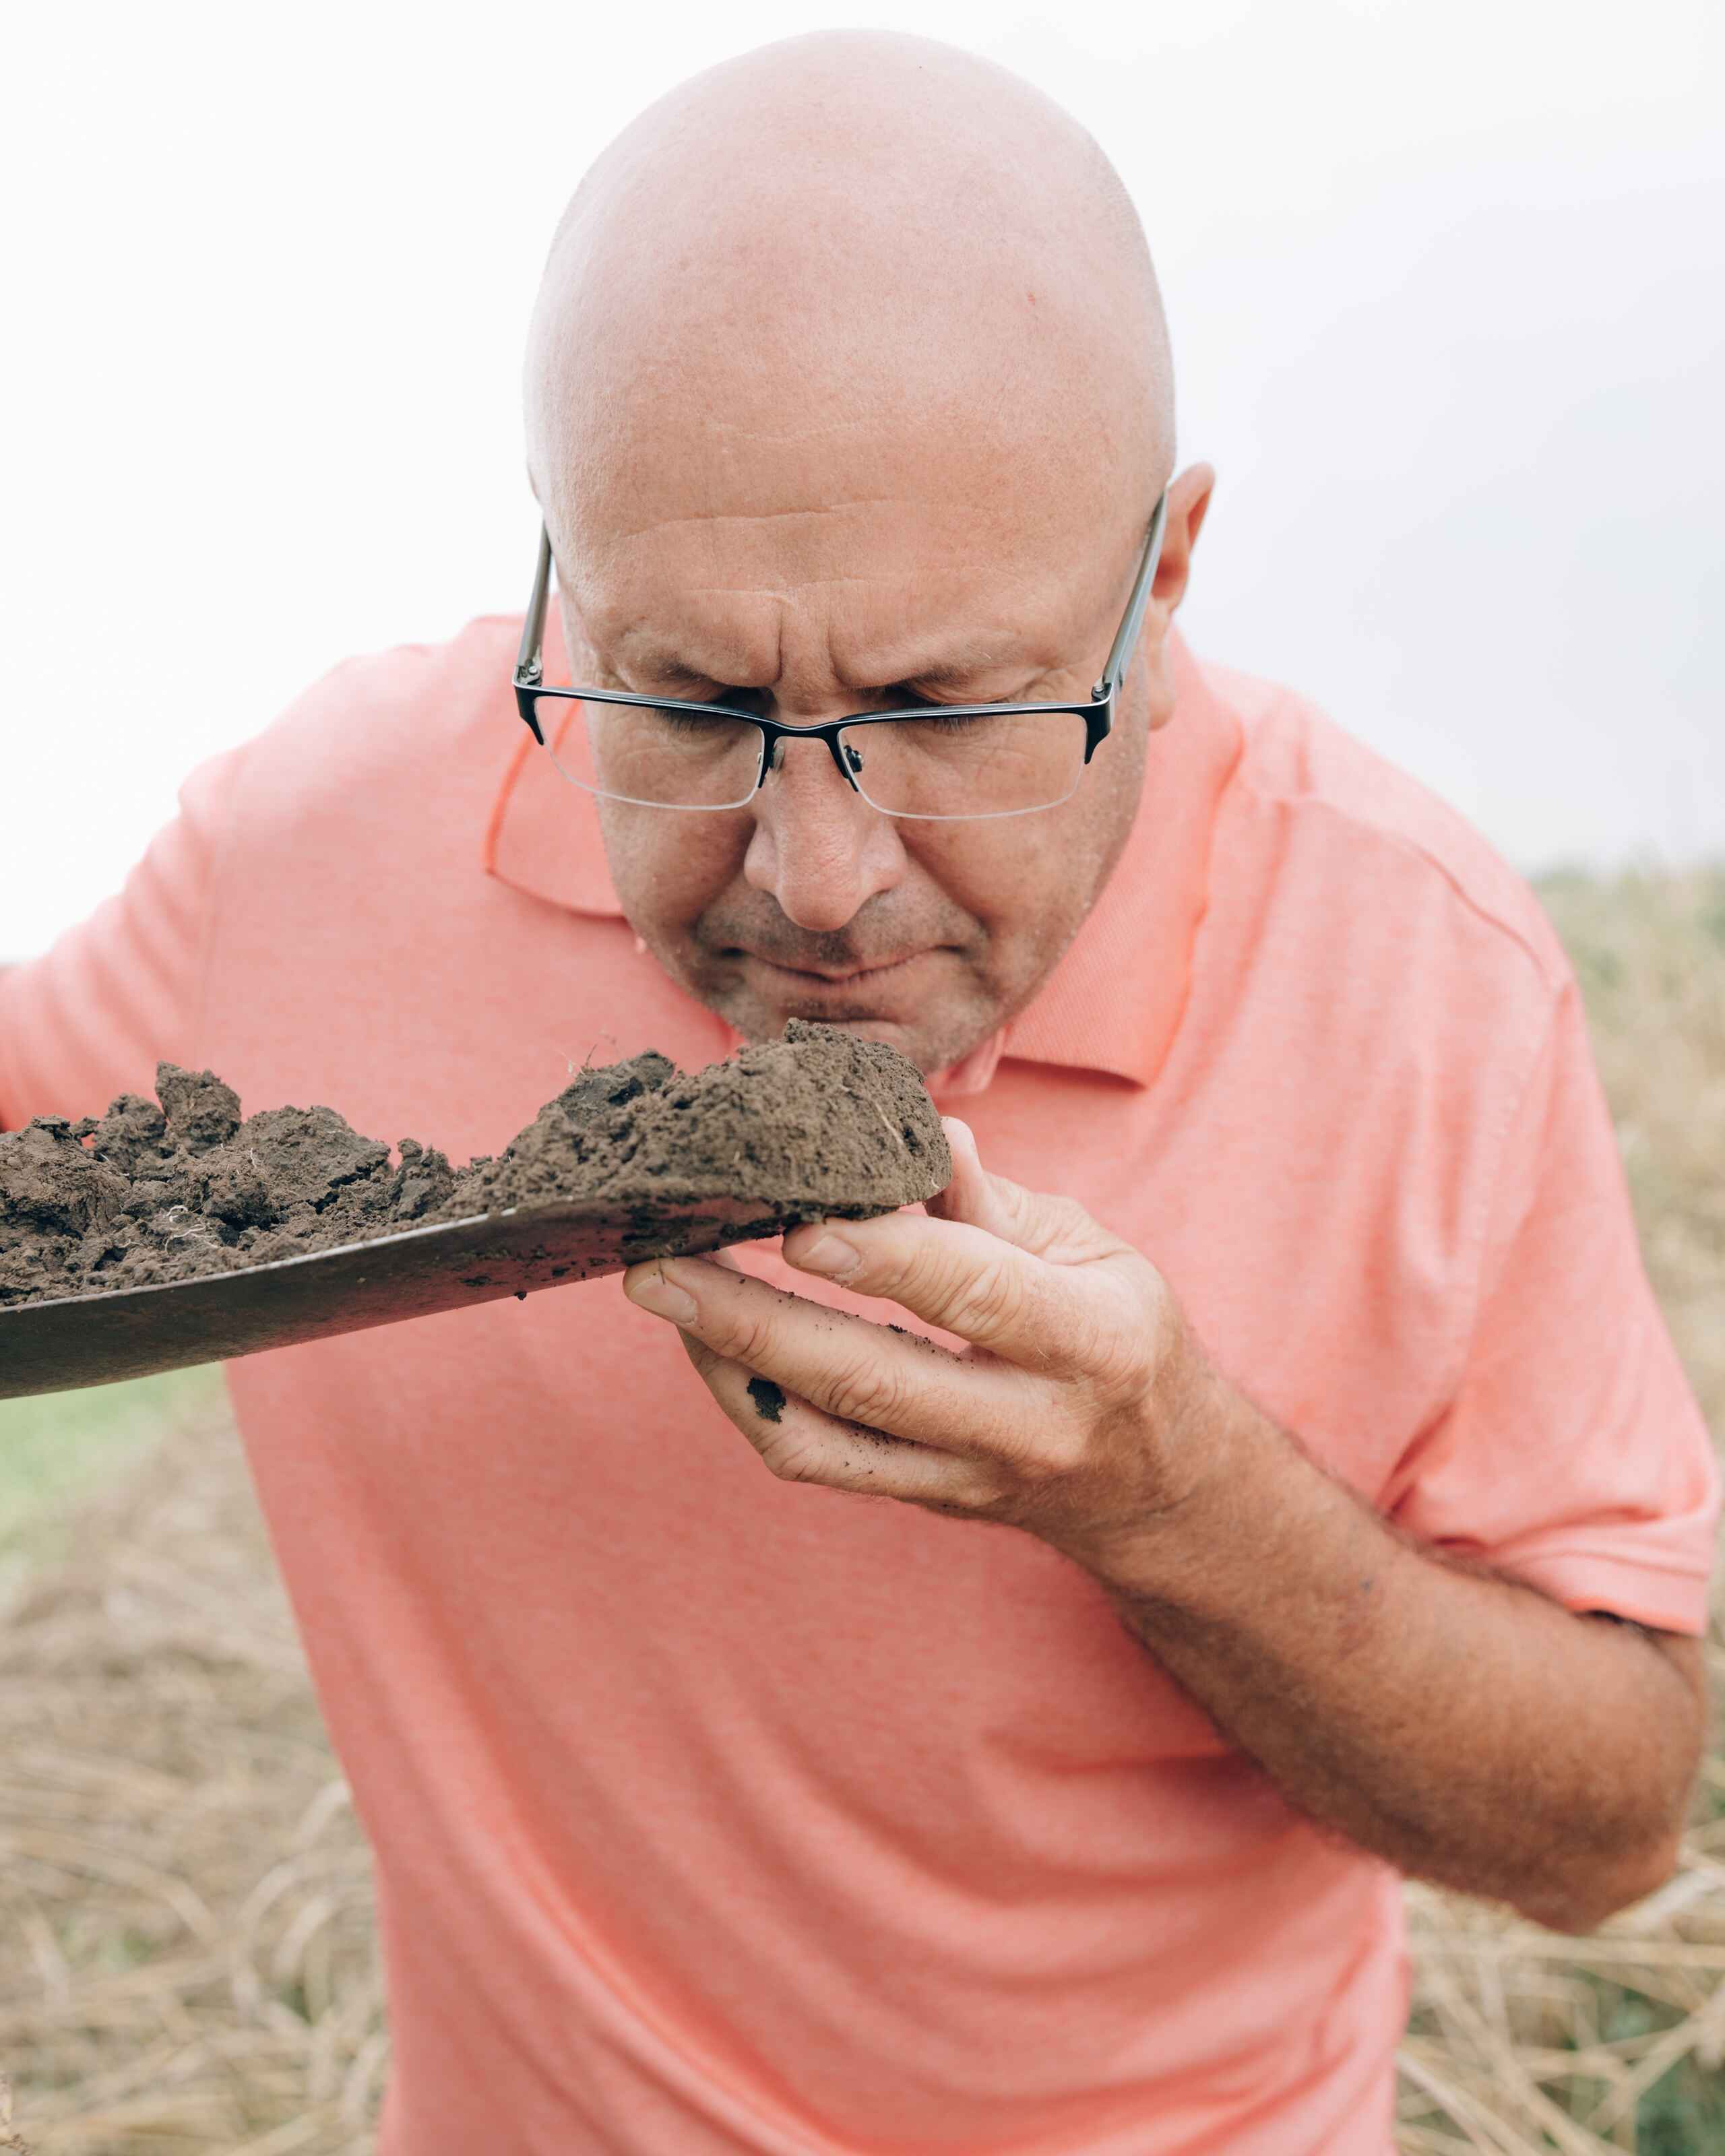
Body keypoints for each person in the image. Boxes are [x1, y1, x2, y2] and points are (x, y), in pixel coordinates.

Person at [2, 30, 1716, 2156]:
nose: (817, 880)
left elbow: (1610, 1828)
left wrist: (1169, 1494)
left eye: (944, 710)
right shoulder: (323, 853)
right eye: (693, 698)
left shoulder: (1426, 985)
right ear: (562, 576)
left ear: (1160, 588)